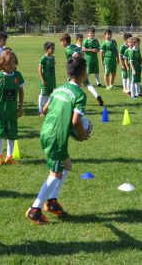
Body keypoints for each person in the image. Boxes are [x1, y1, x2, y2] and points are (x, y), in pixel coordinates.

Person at [26, 57, 90, 225]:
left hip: (47, 132)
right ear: (83, 73)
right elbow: (76, 121)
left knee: (67, 165)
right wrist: (82, 135)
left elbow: (45, 109)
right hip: (56, 137)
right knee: (55, 175)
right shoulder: (79, 95)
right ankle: (35, 209)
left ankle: (52, 202)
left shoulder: (60, 88)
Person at [0, 49, 24, 166]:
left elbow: (21, 91)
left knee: (12, 135)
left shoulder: (18, 76)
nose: (12, 65)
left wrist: (20, 107)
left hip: (12, 112)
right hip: (0, 112)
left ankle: (9, 157)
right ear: (2, 63)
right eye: (9, 62)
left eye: (13, 62)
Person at [38, 42, 56, 116]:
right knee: (43, 94)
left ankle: (45, 109)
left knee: (49, 95)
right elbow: (39, 70)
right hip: (45, 80)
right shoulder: (43, 58)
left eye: (54, 48)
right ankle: (40, 110)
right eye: (52, 48)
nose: (53, 50)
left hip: (52, 80)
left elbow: (53, 64)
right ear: (46, 49)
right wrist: (42, 79)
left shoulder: (53, 57)